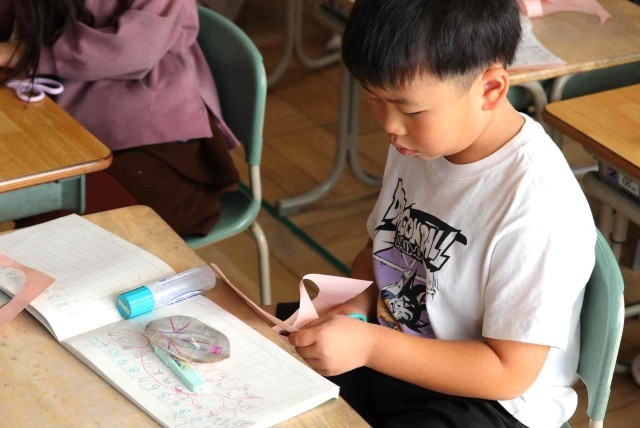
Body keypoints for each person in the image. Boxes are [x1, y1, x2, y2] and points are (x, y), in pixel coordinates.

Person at [277, 1, 597, 427]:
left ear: (490, 89)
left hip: (489, 401)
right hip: (394, 344)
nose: (390, 125)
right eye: (375, 99)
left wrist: (368, 345)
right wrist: (356, 305)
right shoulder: (420, 141)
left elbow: (508, 373)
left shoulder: (538, 206)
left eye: (409, 110)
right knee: (259, 346)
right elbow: (382, 246)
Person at [0, 0, 240, 236]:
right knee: (31, 204)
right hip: (73, 129)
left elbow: (132, 51)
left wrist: (24, 54)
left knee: (47, 232)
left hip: (161, 144)